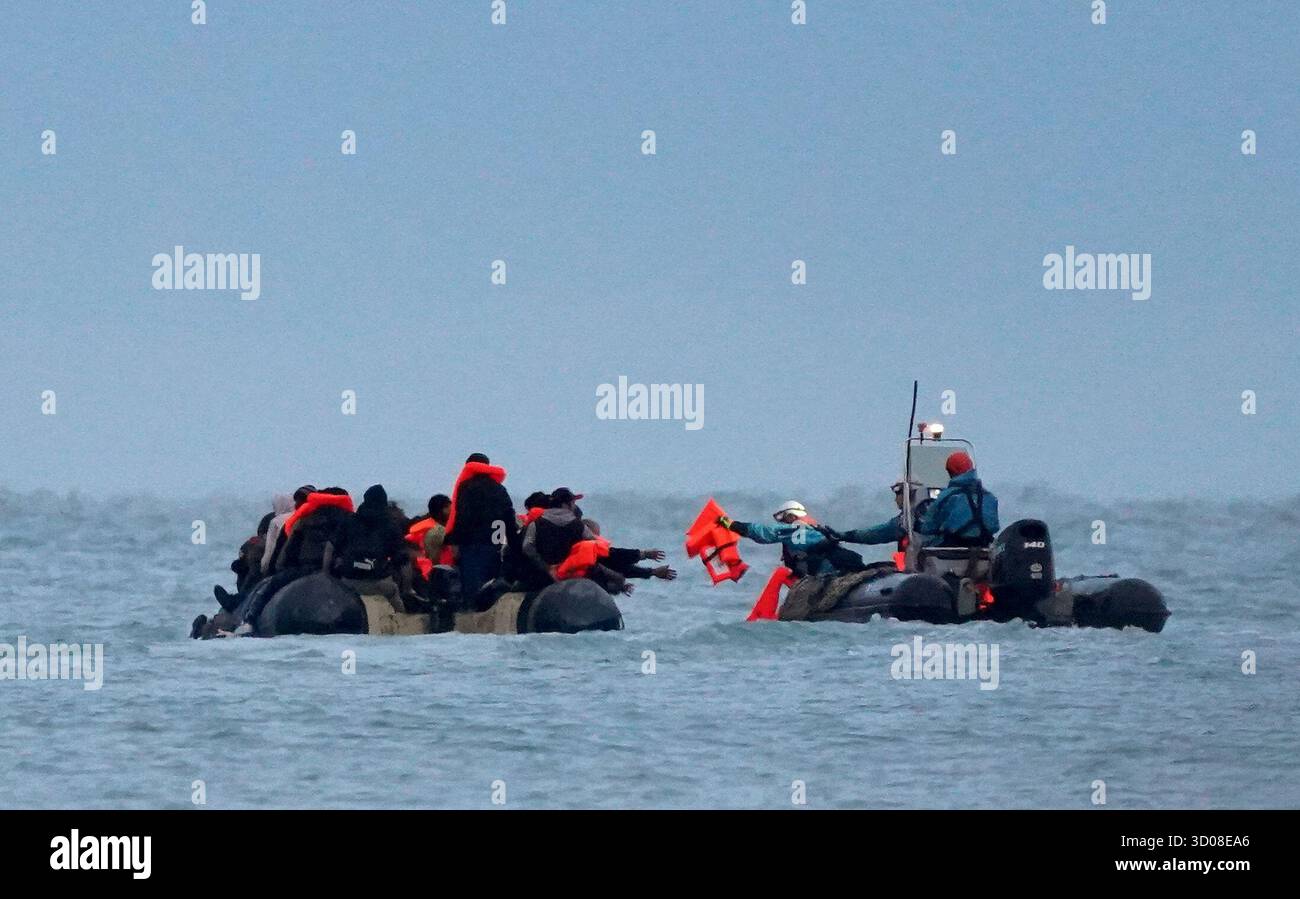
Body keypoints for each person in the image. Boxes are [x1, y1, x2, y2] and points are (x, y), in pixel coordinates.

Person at [444, 453, 518, 601]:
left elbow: (462, 516)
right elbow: (509, 516)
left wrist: (454, 541)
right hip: (496, 541)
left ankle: (471, 614)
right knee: (492, 580)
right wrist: (514, 543)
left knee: (472, 582)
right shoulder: (499, 489)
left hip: (473, 542)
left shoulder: (466, 487)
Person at [324, 484, 412, 605]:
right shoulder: (391, 526)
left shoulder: (349, 521)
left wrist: (326, 576)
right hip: (379, 584)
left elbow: (329, 548)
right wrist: (407, 590)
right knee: (400, 610)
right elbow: (404, 563)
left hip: (348, 582)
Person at [718, 500, 853, 577]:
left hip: (825, 570)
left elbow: (766, 534)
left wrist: (733, 525)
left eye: (783, 518)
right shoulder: (814, 528)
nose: (782, 523)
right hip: (836, 564)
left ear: (791, 516)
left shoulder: (796, 529)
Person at [819, 480, 932, 555]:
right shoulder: (932, 511)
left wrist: (844, 536)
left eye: (898, 494)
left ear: (908, 494)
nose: (895, 500)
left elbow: (878, 533)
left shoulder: (909, 519)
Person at [915, 451, 999, 547]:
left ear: (951, 472)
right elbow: (994, 526)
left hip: (950, 551)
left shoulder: (946, 496)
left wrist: (919, 525)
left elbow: (928, 527)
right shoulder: (990, 497)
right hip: (983, 547)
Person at [584, 519, 676, 582]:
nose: (597, 540)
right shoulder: (585, 549)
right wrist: (643, 555)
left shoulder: (588, 552)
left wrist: (652, 572)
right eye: (596, 536)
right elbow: (615, 556)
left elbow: (617, 567)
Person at [261, 487, 311, 575]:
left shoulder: (276, 521)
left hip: (288, 567)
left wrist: (265, 570)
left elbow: (270, 549)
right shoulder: (314, 516)